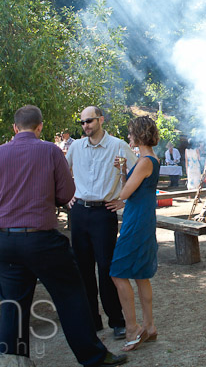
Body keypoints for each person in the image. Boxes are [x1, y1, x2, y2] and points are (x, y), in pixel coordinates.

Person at [0, 105, 127, 366]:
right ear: (40, 127)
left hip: (5, 241)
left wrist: (5, 209)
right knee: (71, 296)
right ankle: (93, 356)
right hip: (41, 238)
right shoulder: (49, 151)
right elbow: (66, 193)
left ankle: (13, 362)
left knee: (12, 306)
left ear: (14, 128)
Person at [67, 106, 138, 340]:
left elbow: (141, 172)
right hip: (78, 213)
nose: (85, 125)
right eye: (82, 122)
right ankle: (91, 320)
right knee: (83, 268)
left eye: (89, 121)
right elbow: (60, 172)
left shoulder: (119, 145)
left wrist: (124, 201)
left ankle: (116, 321)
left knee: (107, 268)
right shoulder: (76, 147)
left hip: (104, 213)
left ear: (101, 120)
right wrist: (66, 196)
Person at [107, 116, 161, 352]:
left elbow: (125, 193)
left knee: (118, 272)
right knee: (140, 274)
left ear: (139, 135)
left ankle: (133, 328)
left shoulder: (145, 161)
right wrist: (125, 169)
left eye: (130, 133)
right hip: (143, 217)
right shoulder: (148, 160)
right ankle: (149, 327)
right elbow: (137, 191)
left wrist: (121, 177)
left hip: (137, 222)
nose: (128, 137)